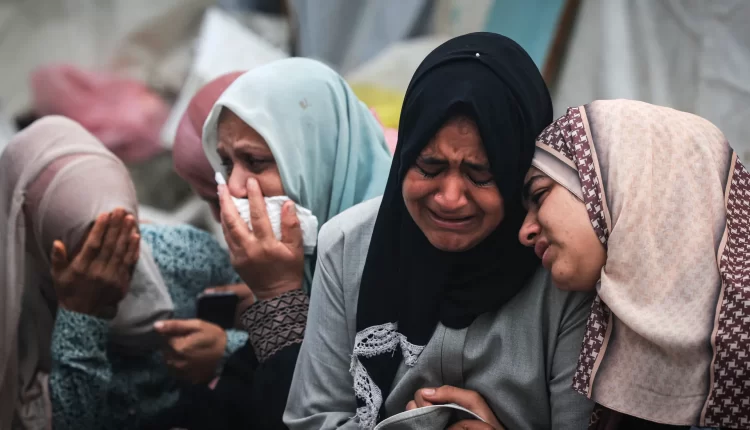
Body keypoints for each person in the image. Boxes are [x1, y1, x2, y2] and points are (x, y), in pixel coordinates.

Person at [284, 33, 594, 430]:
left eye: (480, 174)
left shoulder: (562, 271)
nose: (450, 198)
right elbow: (312, 419)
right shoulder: (347, 248)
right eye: (429, 167)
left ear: (517, 170)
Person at [145, 57, 393, 429]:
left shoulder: (390, 269)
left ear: (316, 162)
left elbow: (306, 418)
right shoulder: (307, 265)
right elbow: (236, 400)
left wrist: (277, 294)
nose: (233, 187)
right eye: (227, 164)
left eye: (255, 161)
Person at [0, 116, 248, 430]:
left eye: (126, 236)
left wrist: (226, 349)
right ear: (32, 238)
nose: (112, 268)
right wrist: (82, 316)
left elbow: (283, 338)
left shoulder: (185, 256)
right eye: (88, 252)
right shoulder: (12, 321)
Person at [518, 99, 749, 429]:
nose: (525, 232)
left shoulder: (742, 351)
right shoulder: (611, 338)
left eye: (540, 195)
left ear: (627, 184)